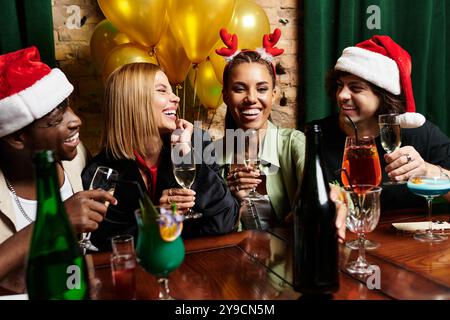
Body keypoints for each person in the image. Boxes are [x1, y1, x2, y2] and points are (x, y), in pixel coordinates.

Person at [82, 62, 239, 252]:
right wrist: (158, 218)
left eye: (172, 91)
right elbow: (108, 244)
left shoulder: (197, 142)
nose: (176, 98)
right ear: (133, 101)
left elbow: (226, 220)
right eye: (162, 91)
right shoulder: (101, 171)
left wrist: (185, 154)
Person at [0, 47, 116, 292]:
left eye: (69, 108)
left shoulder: (76, 157)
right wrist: (56, 222)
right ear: (17, 137)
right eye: (56, 120)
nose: (76, 120)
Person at [214, 28, 347, 241]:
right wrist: (232, 200)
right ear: (225, 97)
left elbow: (321, 185)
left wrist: (335, 199)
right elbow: (212, 231)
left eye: (262, 89)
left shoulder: (294, 143)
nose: (251, 98)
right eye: (239, 89)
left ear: (274, 95)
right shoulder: (213, 156)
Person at [313, 35, 450, 211]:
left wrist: (428, 171)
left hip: (404, 238)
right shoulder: (316, 134)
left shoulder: (419, 133)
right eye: (340, 86)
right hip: (341, 237)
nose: (342, 95)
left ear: (383, 96)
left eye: (356, 88)